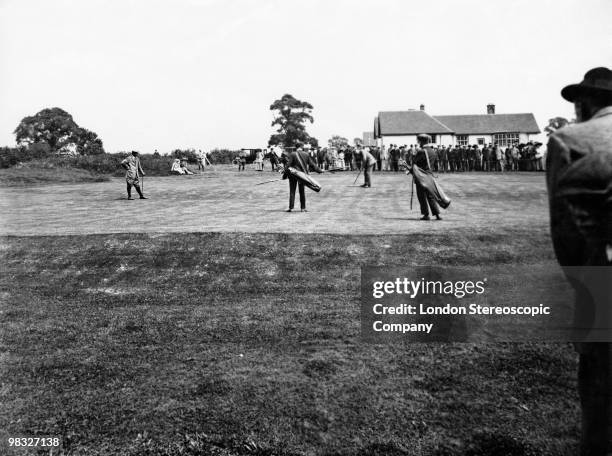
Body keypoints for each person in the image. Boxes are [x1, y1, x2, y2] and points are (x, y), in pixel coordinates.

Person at [546, 66, 612, 455]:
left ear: (585, 103)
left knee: (601, 382)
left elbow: (566, 231)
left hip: (602, 271)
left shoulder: (571, 138)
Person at [284, 147, 324, 212]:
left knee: (292, 191)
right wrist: (319, 170)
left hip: (293, 175)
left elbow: (288, 165)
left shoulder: (292, 154)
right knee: (302, 191)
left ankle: (291, 208)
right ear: (301, 148)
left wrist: (285, 176)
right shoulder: (306, 154)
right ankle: (303, 208)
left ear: (296, 148)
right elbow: (312, 165)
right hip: (302, 176)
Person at [413, 134, 441, 220]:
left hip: (421, 176)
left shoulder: (421, 151)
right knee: (430, 196)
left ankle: (426, 214)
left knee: (421, 196)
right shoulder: (432, 151)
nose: (418, 143)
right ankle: (437, 214)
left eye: (418, 141)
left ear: (421, 141)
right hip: (429, 175)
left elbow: (414, 163)